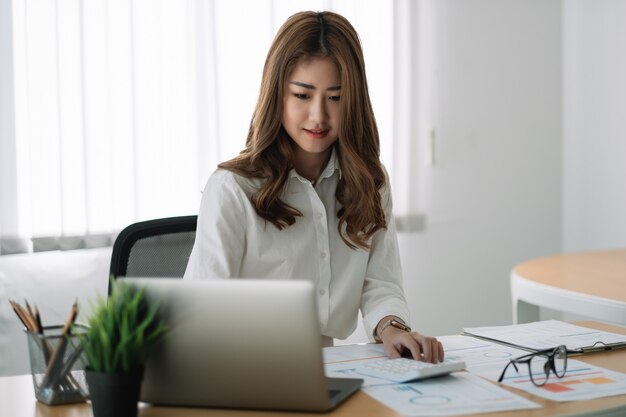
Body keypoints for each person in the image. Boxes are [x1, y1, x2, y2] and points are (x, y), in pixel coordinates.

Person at [184, 10, 444, 363]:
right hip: (243, 370)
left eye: (335, 97)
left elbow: (380, 283)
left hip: (327, 371)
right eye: (303, 96)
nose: (319, 116)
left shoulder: (369, 181)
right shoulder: (232, 189)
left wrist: (392, 326)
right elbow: (200, 313)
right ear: (278, 95)